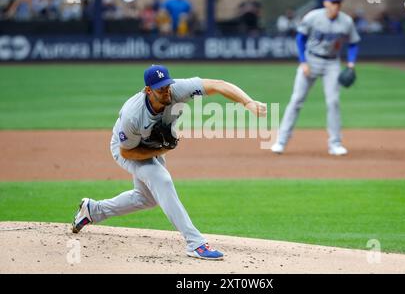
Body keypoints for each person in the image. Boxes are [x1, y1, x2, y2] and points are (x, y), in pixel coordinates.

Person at [72, 65, 267, 260]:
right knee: (162, 179)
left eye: (167, 85)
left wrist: (247, 102)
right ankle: (195, 243)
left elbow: (218, 85)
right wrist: (162, 150)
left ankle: (93, 210)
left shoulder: (176, 90)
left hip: (153, 145)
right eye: (160, 89)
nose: (166, 91)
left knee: (146, 199)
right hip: (128, 149)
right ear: (148, 90)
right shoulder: (133, 115)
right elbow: (127, 152)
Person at [271, 0, 361, 156]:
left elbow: (354, 43)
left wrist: (351, 63)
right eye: (333, 2)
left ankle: (335, 144)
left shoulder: (346, 21)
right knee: (296, 100)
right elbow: (300, 38)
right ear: (325, 3)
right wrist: (303, 61)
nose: (336, 5)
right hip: (311, 60)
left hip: (332, 63)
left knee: (333, 102)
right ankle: (281, 141)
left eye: (339, 3)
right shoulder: (313, 17)